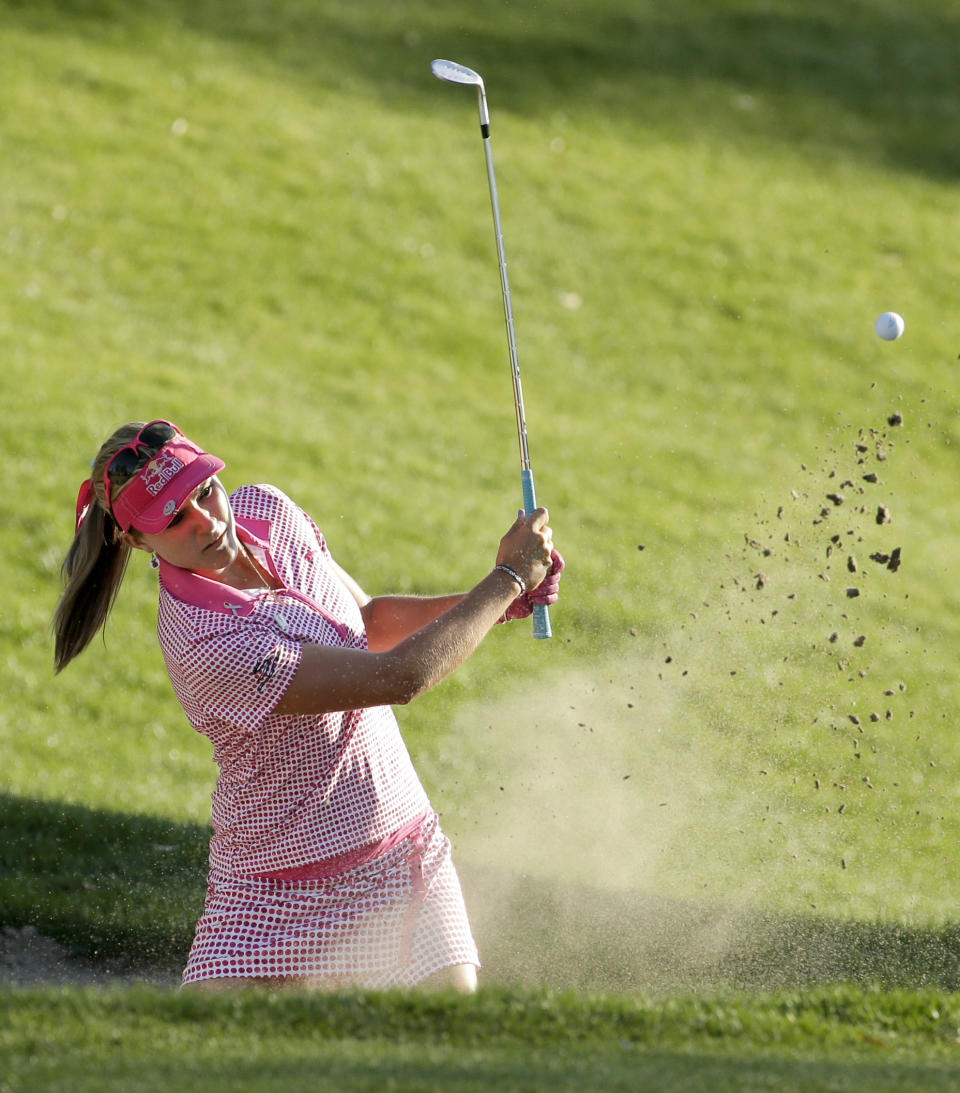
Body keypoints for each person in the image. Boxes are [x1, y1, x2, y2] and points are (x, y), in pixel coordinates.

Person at [53, 419, 562, 993]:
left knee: (445, 1044)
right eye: (175, 519)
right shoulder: (204, 641)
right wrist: (509, 579)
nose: (209, 521)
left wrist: (496, 602)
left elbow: (366, 623)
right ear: (137, 541)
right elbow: (400, 678)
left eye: (204, 491)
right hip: (272, 891)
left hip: (400, 851)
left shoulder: (268, 511)